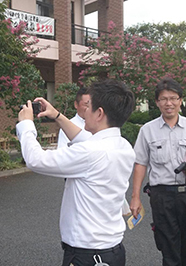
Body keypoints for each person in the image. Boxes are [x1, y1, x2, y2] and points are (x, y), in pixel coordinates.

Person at [16, 79, 135, 266]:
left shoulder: (91, 152)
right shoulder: (123, 146)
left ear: (100, 113)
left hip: (88, 254)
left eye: (88, 106)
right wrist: (57, 115)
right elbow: (85, 139)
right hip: (111, 250)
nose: (84, 111)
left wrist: (26, 125)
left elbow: (35, 160)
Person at [130, 77, 186, 266]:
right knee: (167, 243)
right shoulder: (148, 130)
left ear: (180, 100)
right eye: (163, 99)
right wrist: (135, 196)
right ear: (157, 102)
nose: (169, 103)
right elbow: (140, 163)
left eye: (173, 98)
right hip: (162, 195)